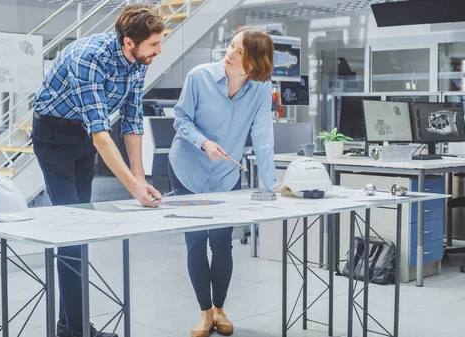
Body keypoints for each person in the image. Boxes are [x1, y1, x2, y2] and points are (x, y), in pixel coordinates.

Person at [31, 4, 165, 337]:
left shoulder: (138, 60)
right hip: (53, 134)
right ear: (129, 42)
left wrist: (140, 178)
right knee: (72, 229)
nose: (158, 51)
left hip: (83, 135)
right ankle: (76, 330)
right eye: (153, 45)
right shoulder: (87, 58)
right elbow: (101, 134)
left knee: (82, 227)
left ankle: (68, 325)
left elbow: (131, 121)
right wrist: (132, 189)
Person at [168, 26, 280, 337]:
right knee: (195, 243)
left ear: (255, 63)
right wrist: (204, 142)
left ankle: (219, 308)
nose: (229, 54)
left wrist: (271, 184)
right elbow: (180, 118)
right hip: (187, 167)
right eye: (231, 46)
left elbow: (262, 136)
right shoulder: (199, 76)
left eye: (240, 52)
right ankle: (205, 314)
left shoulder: (260, 89)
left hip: (225, 175)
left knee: (222, 243)